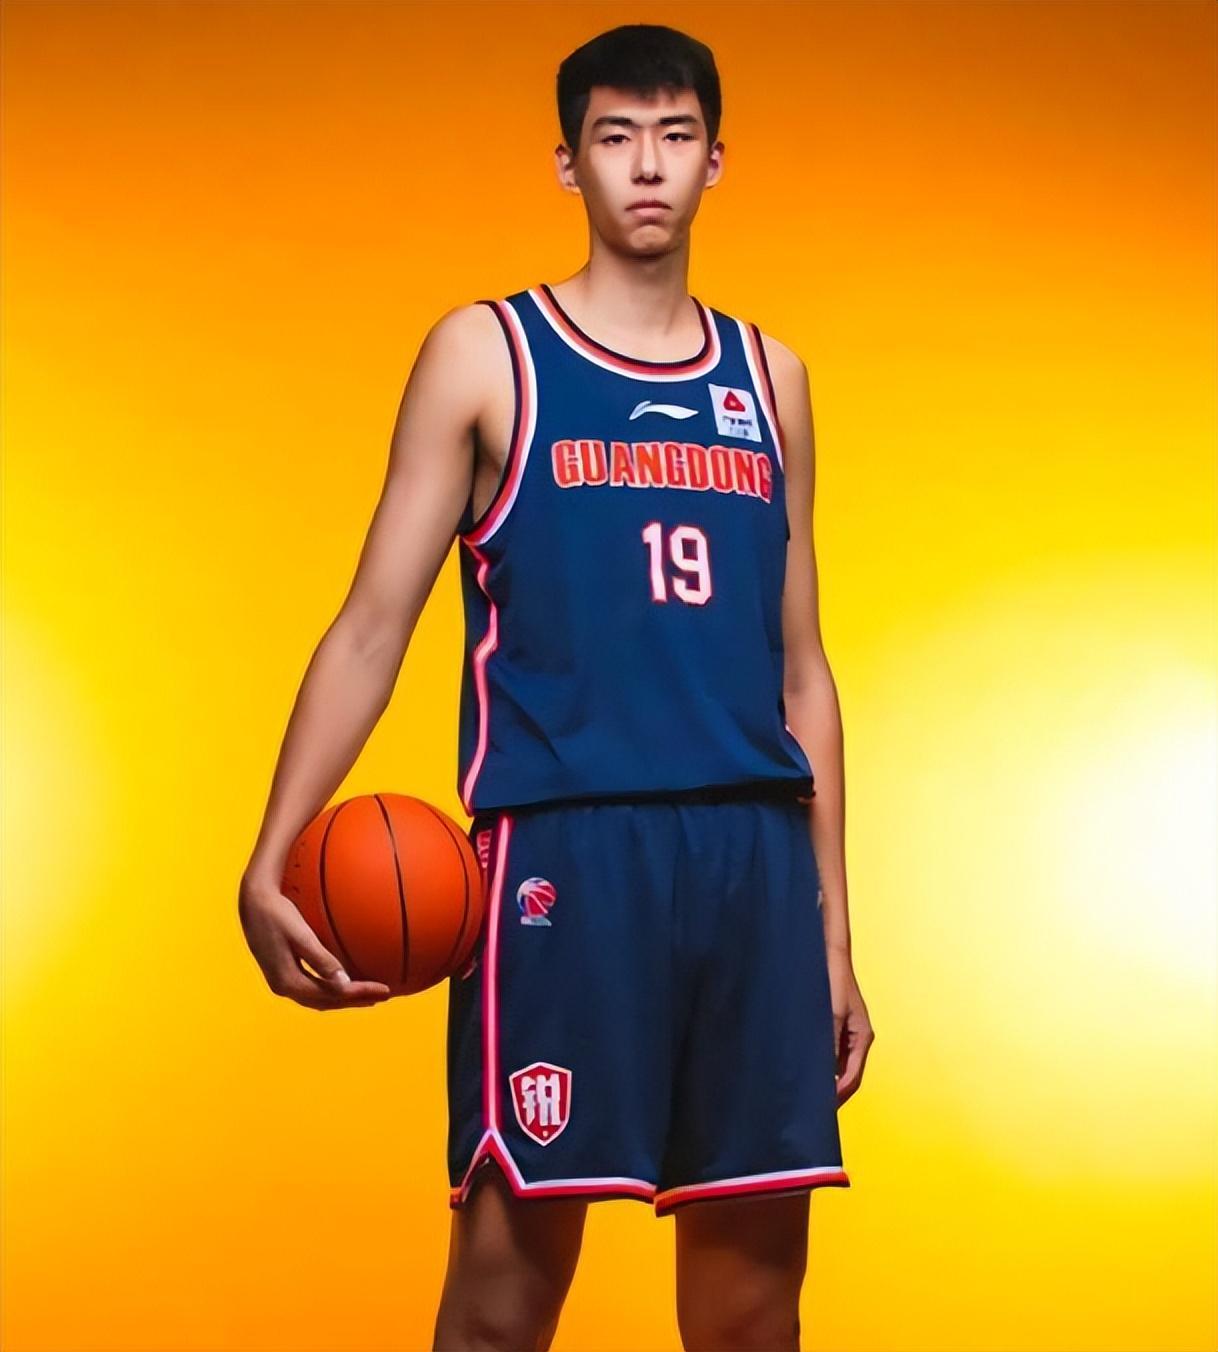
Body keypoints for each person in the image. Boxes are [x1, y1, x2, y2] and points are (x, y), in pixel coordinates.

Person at [239, 21, 875, 1352]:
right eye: (615, 136)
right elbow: (373, 625)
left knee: (756, 1307)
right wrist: (271, 852)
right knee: (503, 1294)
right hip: (565, 861)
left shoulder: (772, 380)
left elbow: (801, 667)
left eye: (675, 135)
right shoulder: (487, 353)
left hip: (752, 867)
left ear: (715, 160)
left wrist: (833, 939)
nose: (647, 165)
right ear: (567, 162)